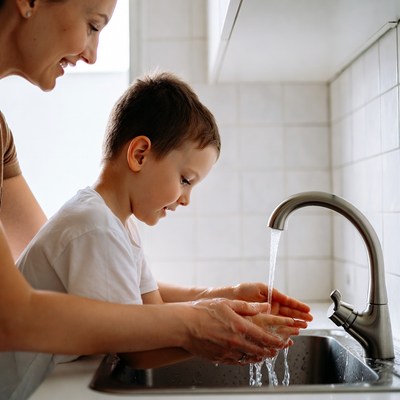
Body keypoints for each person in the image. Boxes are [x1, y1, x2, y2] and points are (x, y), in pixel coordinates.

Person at [0, 0, 311, 391]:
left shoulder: (116, 223)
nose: (185, 199)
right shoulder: (93, 227)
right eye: (185, 180)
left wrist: (226, 299)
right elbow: (138, 349)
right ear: (140, 154)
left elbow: (151, 308)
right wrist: (219, 331)